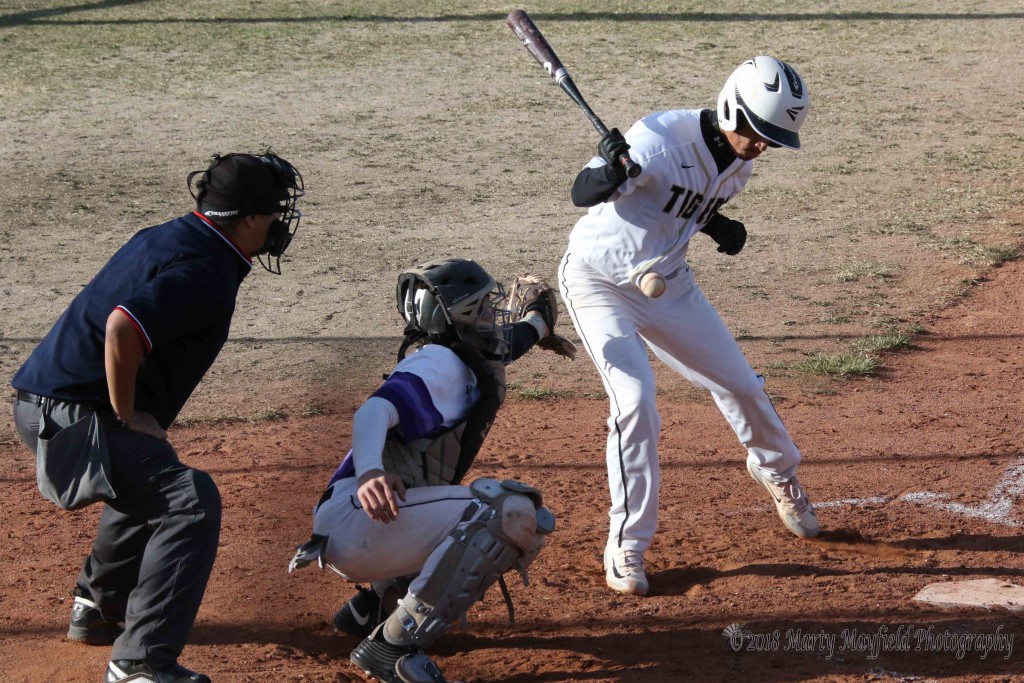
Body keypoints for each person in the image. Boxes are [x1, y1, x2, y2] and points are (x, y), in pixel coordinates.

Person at [11, 151, 305, 683]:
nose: (280, 224)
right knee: (189, 500)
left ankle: (99, 606)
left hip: (48, 402)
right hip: (72, 416)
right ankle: (141, 663)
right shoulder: (209, 269)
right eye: (275, 213)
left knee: (151, 470)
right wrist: (125, 415)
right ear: (251, 218)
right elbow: (123, 325)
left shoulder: (174, 235)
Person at [557, 56, 820, 597]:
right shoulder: (656, 139)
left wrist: (718, 225)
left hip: (669, 286)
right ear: (731, 107)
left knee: (742, 386)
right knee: (635, 402)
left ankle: (777, 472)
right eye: (760, 130)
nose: (764, 144)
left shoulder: (741, 163)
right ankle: (626, 547)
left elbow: (683, 203)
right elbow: (582, 193)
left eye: (775, 136)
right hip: (598, 284)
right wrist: (609, 170)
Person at [288, 258, 567, 683]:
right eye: (486, 306)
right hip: (359, 517)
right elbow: (373, 411)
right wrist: (369, 472)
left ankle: (375, 611)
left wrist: (538, 325)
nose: (496, 314)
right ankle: (392, 648)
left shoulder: (463, 353)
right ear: (464, 317)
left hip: (371, 524)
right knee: (506, 513)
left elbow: (508, 343)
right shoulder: (436, 363)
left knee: (510, 517)